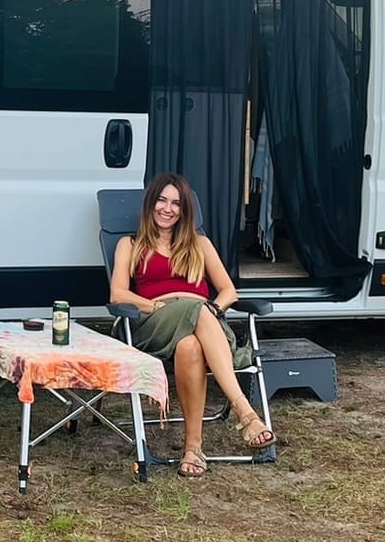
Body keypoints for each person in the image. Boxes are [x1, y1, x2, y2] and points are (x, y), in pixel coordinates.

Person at [109, 172, 275, 477]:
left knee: (190, 345)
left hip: (203, 320)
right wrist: (155, 305)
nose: (168, 209)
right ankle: (244, 410)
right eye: (161, 200)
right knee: (196, 311)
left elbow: (228, 292)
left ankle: (193, 448)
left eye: (176, 203)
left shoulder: (200, 244)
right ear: (150, 203)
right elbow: (118, 293)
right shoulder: (130, 244)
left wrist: (211, 309)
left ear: (184, 211)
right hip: (154, 321)